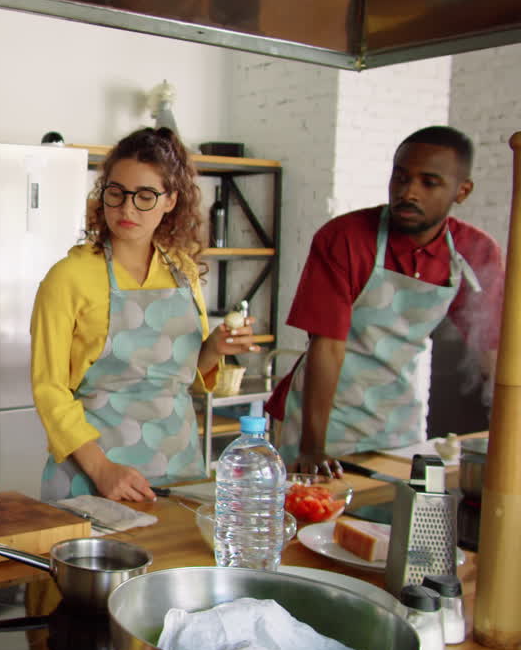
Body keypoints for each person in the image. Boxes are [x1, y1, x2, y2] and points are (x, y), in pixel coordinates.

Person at [31, 127, 258, 502]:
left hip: (177, 465)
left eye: (145, 196)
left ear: (171, 201)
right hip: (92, 474)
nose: (127, 209)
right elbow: (49, 389)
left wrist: (215, 348)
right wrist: (102, 470)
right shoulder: (69, 277)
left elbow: (182, 373)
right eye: (116, 193)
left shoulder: (183, 270)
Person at [269, 126, 504, 476]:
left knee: (390, 523)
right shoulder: (345, 238)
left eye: (429, 182)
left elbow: (492, 351)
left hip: (397, 420)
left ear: (462, 191)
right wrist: (313, 447)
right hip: (323, 417)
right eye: (401, 177)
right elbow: (327, 346)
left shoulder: (475, 252)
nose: (408, 192)